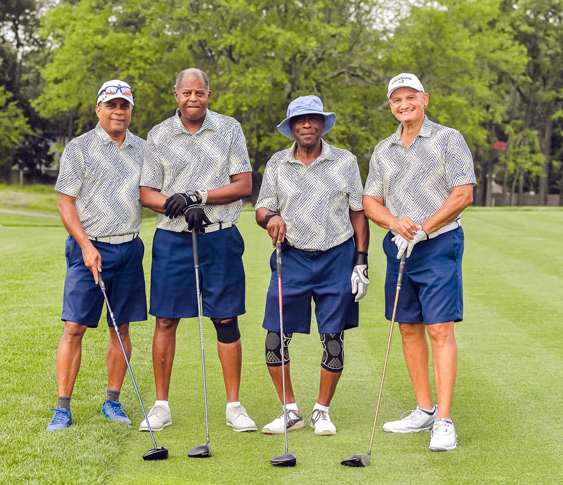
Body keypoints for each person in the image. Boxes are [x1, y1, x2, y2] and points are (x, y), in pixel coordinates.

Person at [139, 68, 257, 433]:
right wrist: (175, 204)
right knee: (165, 319)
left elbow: (243, 184)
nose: (194, 99)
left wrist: (197, 197)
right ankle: (161, 406)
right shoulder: (158, 134)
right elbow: (147, 192)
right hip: (173, 238)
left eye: (200, 92)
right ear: (176, 95)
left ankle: (234, 406)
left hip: (219, 236)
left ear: (209, 94)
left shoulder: (229, 128)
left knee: (225, 319)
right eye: (187, 92)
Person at [363, 73, 476, 451]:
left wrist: (424, 229)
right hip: (398, 245)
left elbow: (462, 194)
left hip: (439, 244)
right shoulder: (383, 149)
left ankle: (444, 418)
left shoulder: (449, 138)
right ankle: (424, 409)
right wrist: (396, 223)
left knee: (439, 328)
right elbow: (370, 201)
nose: (403, 105)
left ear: (424, 99)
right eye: (397, 100)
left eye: (410, 97)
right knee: (408, 326)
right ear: (391, 106)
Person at [255, 95, 369, 436]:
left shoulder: (345, 161)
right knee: (276, 337)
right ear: (291, 127)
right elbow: (262, 208)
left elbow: (358, 213)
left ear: (322, 124)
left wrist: (361, 261)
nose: (307, 125)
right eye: (300, 120)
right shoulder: (277, 163)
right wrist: (271, 218)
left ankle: (322, 410)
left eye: (313, 119)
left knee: (332, 338)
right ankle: (290, 410)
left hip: (337, 256)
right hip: (290, 257)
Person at [47, 80, 147, 431]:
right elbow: (65, 203)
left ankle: (113, 402)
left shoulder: (143, 149)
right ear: (98, 109)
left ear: (130, 110)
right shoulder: (80, 148)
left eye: (124, 105)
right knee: (74, 327)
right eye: (112, 105)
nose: (118, 111)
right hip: (89, 248)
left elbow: (152, 194)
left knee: (121, 328)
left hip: (130, 247)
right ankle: (62, 408)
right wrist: (87, 246)